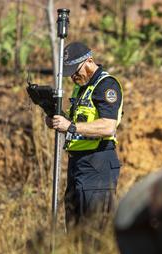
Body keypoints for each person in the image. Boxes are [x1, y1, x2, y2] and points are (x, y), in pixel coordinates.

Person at [45, 42, 123, 231]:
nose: (73, 76)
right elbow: (78, 124)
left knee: (94, 231)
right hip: (78, 165)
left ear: (89, 60)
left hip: (98, 165)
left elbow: (108, 126)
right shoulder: (81, 88)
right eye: (69, 72)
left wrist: (70, 126)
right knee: (74, 230)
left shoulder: (106, 85)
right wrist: (58, 121)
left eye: (75, 70)